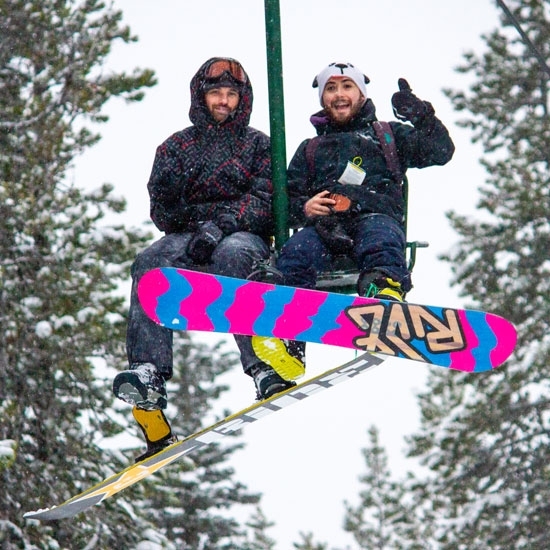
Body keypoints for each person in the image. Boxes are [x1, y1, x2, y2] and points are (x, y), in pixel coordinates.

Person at [113, 57, 295, 462]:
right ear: (202, 96)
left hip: (241, 235)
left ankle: (262, 364)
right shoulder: (177, 147)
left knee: (235, 255)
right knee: (149, 262)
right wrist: (196, 221)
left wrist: (224, 223)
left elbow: (267, 199)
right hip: (188, 238)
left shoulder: (258, 145)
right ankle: (148, 373)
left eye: (231, 94)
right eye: (217, 93)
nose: (224, 101)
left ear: (241, 100)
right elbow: (160, 209)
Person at [277, 61, 455, 301]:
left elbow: (440, 151)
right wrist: (304, 208)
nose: (339, 94)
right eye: (330, 89)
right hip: (326, 227)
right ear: (322, 99)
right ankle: (288, 312)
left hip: (375, 216)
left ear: (361, 94)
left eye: (347, 86)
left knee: (381, 242)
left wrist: (422, 116)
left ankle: (383, 288)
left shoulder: (387, 136)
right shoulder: (311, 148)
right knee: (296, 253)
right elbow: (286, 198)